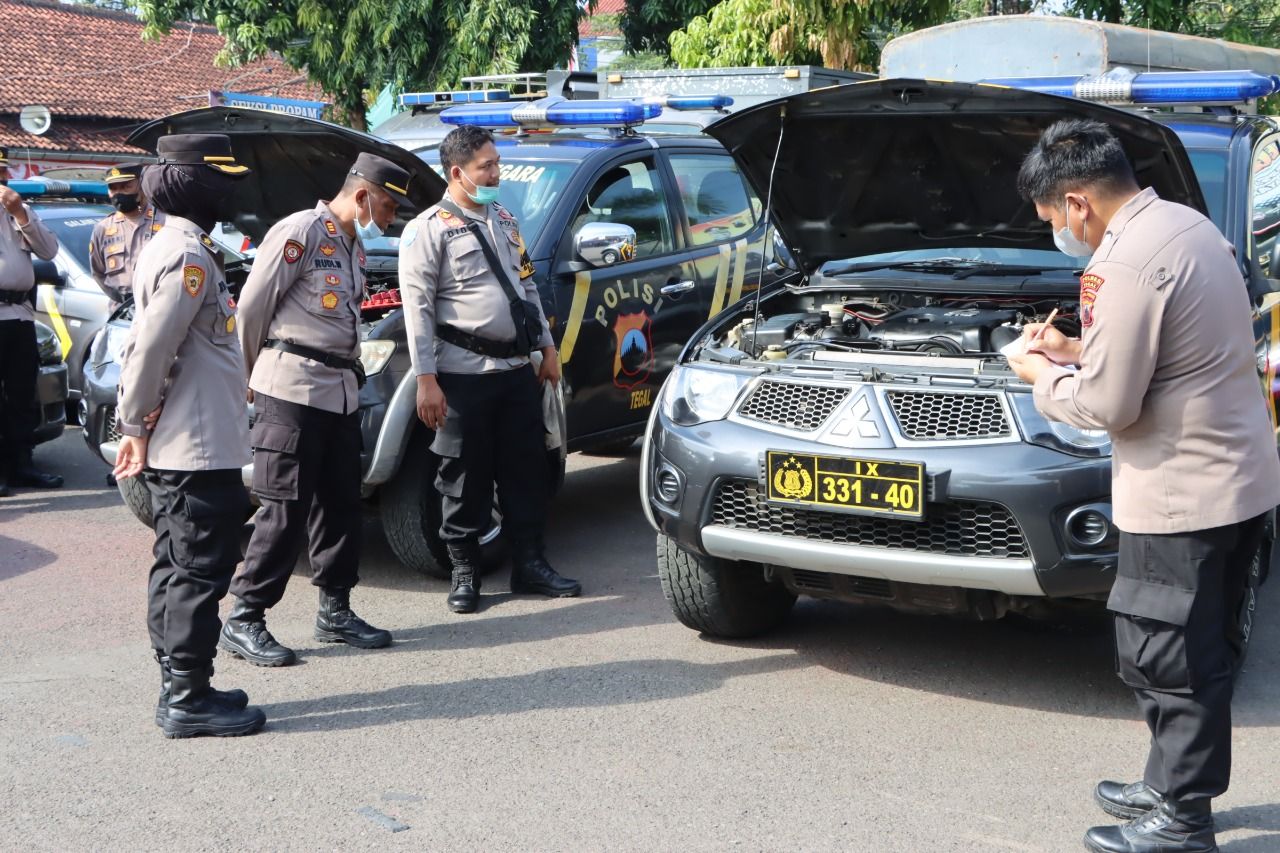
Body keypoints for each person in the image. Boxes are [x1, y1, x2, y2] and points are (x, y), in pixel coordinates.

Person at [1008, 119, 1280, 853]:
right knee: (1198, 647)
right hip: (1235, 478)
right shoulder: (1184, 225)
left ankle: (1182, 821)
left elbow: (1107, 405)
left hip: (1181, 493)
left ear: (1078, 203)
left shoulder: (1124, 264)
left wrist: (1044, 375)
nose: (1062, 234)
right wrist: (1078, 347)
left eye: (1054, 221)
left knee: (1171, 656)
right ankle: (1167, 782)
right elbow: (1171, 349)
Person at [219, 153, 405, 667]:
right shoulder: (300, 231)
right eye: (387, 205)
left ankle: (335, 610)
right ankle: (245, 617)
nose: (389, 218)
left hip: (339, 388)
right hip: (291, 388)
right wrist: (247, 381)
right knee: (284, 507)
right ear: (363, 195)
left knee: (341, 504)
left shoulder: (353, 245)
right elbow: (253, 307)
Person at [113, 133, 266, 739]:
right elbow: (152, 348)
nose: (232, 188)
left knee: (179, 561)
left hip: (191, 438)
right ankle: (186, 696)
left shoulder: (180, 244)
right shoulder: (188, 254)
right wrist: (132, 423)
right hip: (195, 443)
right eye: (221, 178)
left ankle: (183, 681)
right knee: (199, 566)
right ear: (194, 185)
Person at [398, 125, 580, 614]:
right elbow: (416, 310)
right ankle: (465, 572)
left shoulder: (503, 216)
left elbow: (526, 287)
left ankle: (531, 566)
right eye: (488, 166)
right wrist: (426, 379)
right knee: (463, 480)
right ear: (458, 173)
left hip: (515, 371)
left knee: (526, 472)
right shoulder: (427, 229)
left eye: (497, 163)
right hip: (461, 379)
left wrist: (546, 347)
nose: (496, 172)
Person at [0, 148, 62, 496]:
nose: (2, 181)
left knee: (23, 395)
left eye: (3, 173)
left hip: (20, 315)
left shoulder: (18, 211)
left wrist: (20, 213)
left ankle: (23, 464)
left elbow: (49, 251)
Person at [88, 162, 165, 305]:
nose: (119, 193)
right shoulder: (103, 228)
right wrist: (120, 301)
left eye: (126, 186)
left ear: (141, 185)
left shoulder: (165, 221)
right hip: (121, 310)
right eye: (113, 188)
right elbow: (97, 272)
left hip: (157, 305)